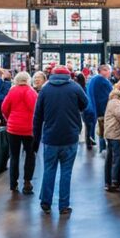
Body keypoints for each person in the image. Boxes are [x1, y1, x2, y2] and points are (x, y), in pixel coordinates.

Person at [32, 66, 89, 215]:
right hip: (70, 137)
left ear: (51, 75)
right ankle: (63, 205)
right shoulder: (75, 87)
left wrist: (36, 140)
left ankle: (46, 201)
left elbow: (37, 116)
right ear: (68, 76)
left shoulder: (45, 89)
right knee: (66, 172)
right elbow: (86, 103)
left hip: (50, 138)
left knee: (49, 170)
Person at [1, 72, 38, 194]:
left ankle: (13, 183)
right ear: (28, 80)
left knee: (14, 156)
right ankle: (27, 182)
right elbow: (36, 110)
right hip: (28, 129)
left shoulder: (12, 91)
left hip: (13, 129)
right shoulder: (32, 92)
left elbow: (4, 108)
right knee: (30, 155)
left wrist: (9, 119)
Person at [87, 65, 113, 154]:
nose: (108, 72)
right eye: (105, 70)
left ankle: (100, 145)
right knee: (103, 128)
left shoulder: (93, 79)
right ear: (100, 71)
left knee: (100, 127)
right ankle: (103, 147)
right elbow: (111, 93)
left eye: (109, 70)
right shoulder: (101, 80)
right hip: (102, 109)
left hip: (95, 109)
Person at [73, 72, 94, 150]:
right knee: (88, 127)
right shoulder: (85, 87)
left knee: (83, 125)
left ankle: (87, 140)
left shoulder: (77, 87)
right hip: (88, 109)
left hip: (81, 109)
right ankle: (89, 142)